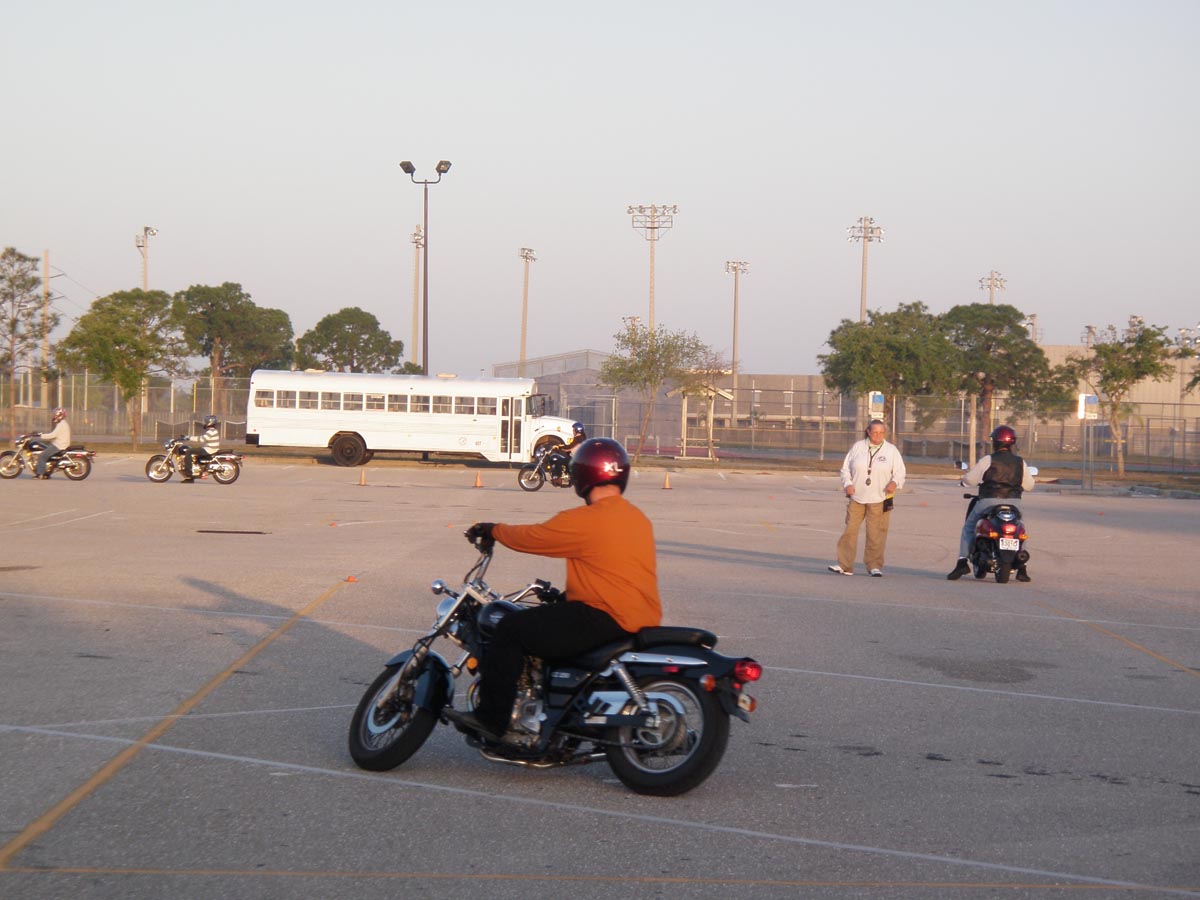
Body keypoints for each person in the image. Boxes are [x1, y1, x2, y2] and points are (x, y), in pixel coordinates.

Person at [452, 437, 661, 742]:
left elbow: (534, 537)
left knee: (510, 629)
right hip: (636, 616)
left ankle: (491, 719)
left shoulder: (585, 520)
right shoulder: (638, 519)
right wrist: (566, 597)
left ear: (584, 474)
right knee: (549, 621)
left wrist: (493, 529)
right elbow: (615, 571)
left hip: (605, 616)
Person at [947, 424, 1036, 582]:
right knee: (1019, 529)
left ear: (995, 442)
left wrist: (964, 482)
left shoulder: (988, 460)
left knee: (969, 526)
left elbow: (971, 479)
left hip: (988, 500)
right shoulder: (1020, 462)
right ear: (1012, 443)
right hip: (1014, 502)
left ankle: (962, 562)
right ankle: (1022, 567)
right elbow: (1029, 485)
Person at [828, 419, 906, 577]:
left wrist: (894, 483)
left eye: (881, 432)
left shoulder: (891, 450)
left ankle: (874, 565)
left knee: (875, 533)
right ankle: (845, 565)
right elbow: (845, 469)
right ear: (868, 432)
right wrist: (848, 484)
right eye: (875, 432)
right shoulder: (858, 447)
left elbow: (900, 472)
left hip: (880, 498)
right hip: (857, 497)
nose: (878, 435)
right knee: (850, 531)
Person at [178, 415, 221, 484]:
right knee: (193, 452)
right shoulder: (212, 430)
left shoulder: (211, 431)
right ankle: (193, 474)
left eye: (205, 421)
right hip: (209, 448)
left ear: (209, 422)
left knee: (189, 452)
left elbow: (202, 439)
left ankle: (189, 473)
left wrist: (188, 438)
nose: (204, 423)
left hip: (210, 449)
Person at [33, 407, 71, 479]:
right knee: (46, 452)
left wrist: (40, 435)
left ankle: (40, 474)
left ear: (60, 415)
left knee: (42, 456)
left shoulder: (61, 425)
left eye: (55, 415)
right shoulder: (63, 423)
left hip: (59, 445)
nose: (54, 416)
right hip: (60, 443)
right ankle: (47, 473)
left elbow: (52, 435)